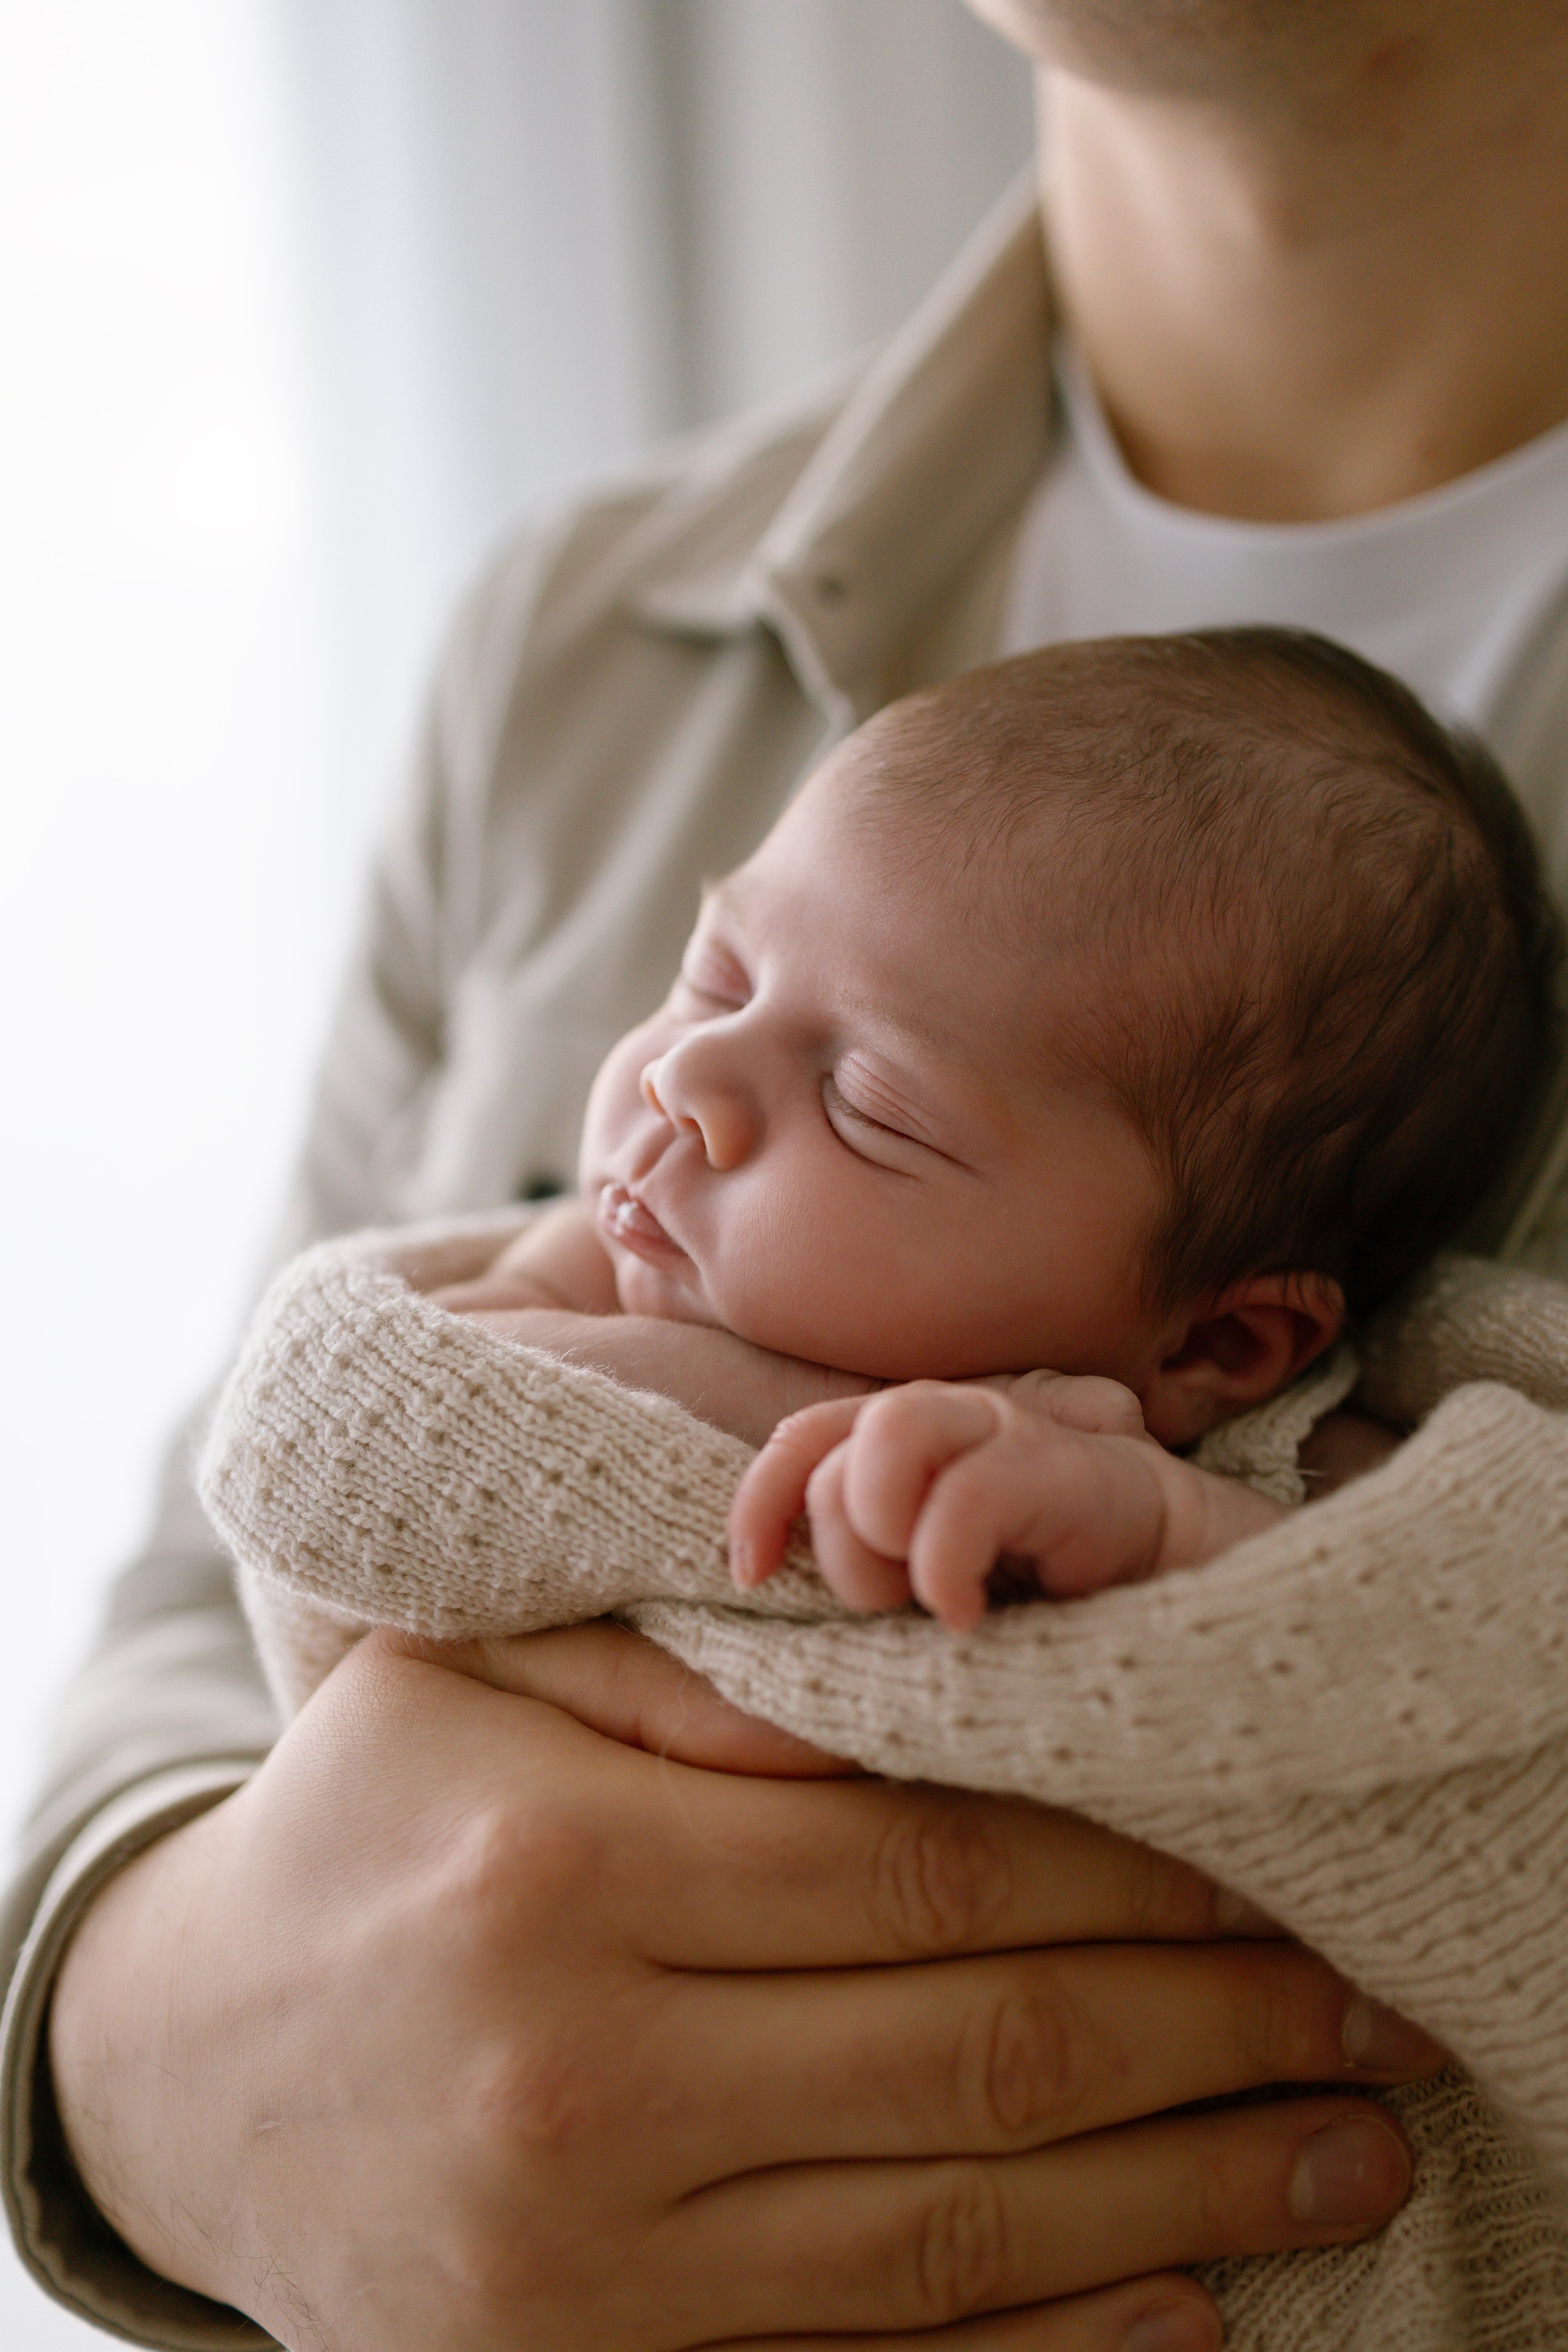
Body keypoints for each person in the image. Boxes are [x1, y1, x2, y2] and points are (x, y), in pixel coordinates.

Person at [9, 3, 1568, 2347]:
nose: (681, 1098)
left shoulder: (1199, 1434)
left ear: (1228, 1341)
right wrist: (153, 2064)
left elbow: (1446, 1624)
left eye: (876, 1111)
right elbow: (197, 1600)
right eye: (709, 968)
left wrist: (1186, 1555)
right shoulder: (571, 645)